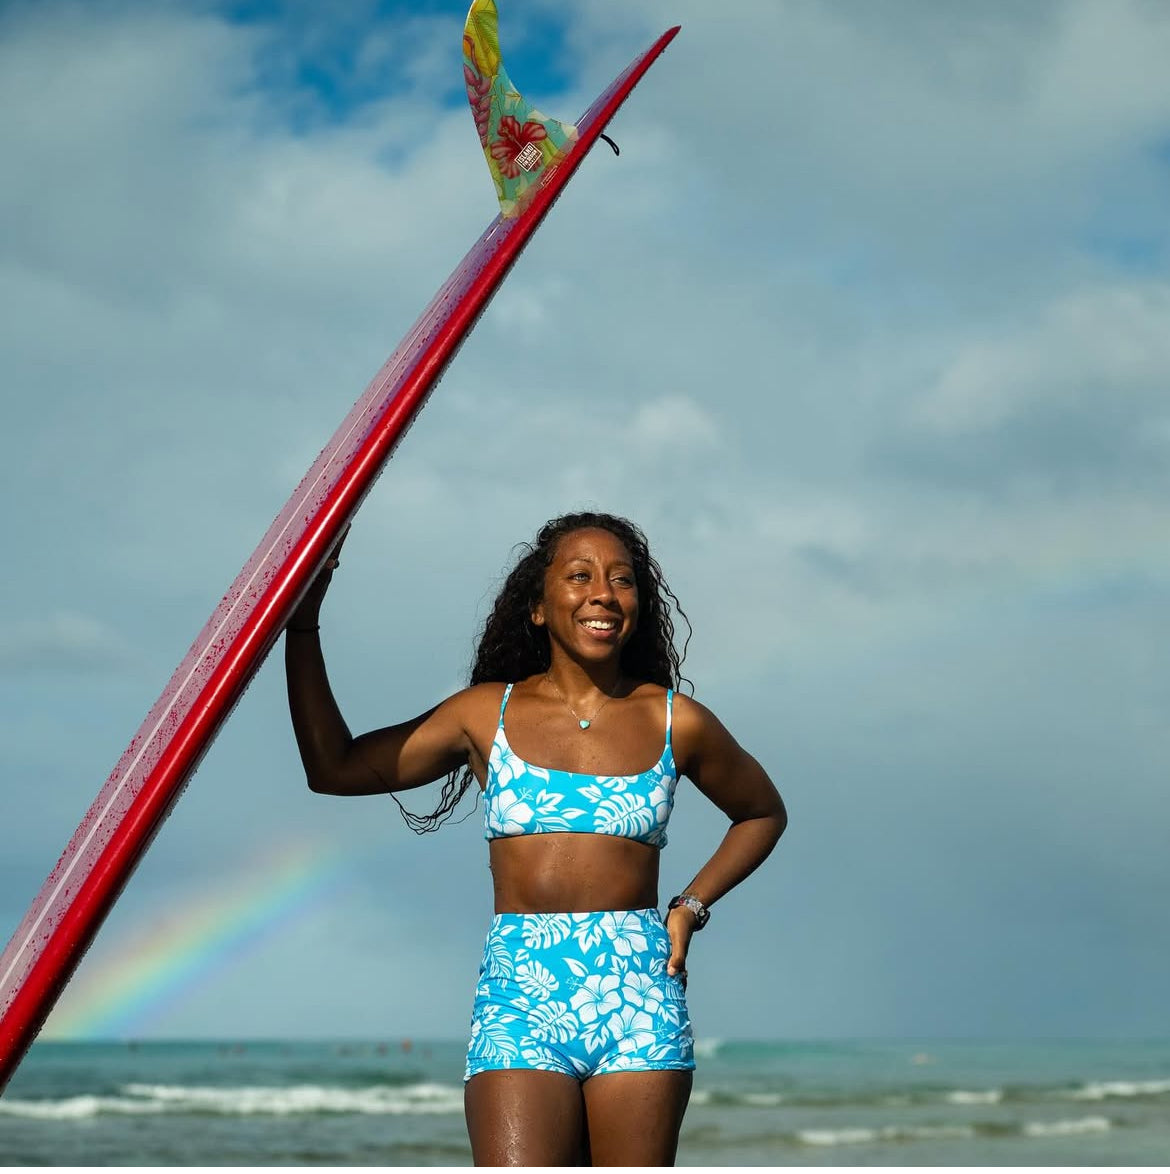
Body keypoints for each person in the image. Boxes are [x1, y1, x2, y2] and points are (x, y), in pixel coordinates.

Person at [285, 511, 787, 1166]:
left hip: (636, 991)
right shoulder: (482, 714)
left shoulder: (675, 721)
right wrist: (302, 625)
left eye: (622, 580)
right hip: (522, 990)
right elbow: (335, 768)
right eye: (580, 576)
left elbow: (760, 812)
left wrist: (690, 908)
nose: (604, 593)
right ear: (539, 609)